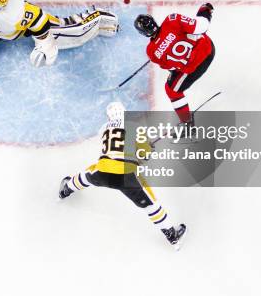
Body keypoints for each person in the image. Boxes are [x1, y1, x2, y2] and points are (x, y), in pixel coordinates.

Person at [58, 102, 187, 248]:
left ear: (109, 116)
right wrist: (148, 148)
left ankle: (66, 190)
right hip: (126, 176)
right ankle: (172, 235)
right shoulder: (133, 126)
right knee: (151, 205)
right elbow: (144, 155)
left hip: (103, 173)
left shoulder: (103, 129)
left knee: (87, 175)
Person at [134, 3, 215, 125]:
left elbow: (173, 68)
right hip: (207, 48)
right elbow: (202, 26)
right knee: (194, 29)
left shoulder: (151, 52)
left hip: (194, 68)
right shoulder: (172, 20)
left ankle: (187, 123)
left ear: (143, 33)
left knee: (171, 90)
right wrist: (205, 11)